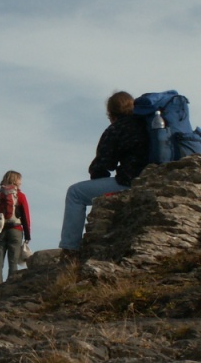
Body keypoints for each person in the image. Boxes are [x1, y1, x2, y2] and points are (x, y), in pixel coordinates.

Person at [58, 91, 150, 258]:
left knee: (75, 193)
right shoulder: (147, 123)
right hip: (154, 179)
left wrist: (99, 183)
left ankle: (70, 250)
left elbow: (101, 165)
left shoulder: (117, 129)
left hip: (129, 182)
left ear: (111, 113)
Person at [0, 170, 32, 285]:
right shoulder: (20, 196)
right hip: (16, 230)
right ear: (15, 180)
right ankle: (11, 285)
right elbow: (26, 217)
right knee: (13, 261)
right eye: (20, 180)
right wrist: (27, 235)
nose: (21, 182)